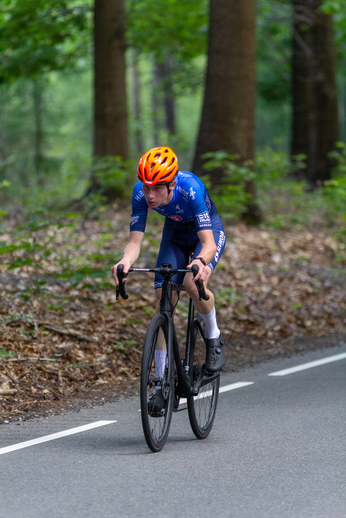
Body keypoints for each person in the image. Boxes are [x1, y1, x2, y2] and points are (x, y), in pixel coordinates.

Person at [112, 146, 226, 413]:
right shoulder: (140, 193)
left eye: (157, 188)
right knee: (163, 295)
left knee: (190, 283)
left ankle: (214, 335)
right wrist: (124, 262)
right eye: (146, 186)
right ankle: (161, 383)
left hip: (206, 232)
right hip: (174, 235)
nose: (150, 194)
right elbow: (134, 243)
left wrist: (201, 262)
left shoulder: (191, 188)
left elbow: (208, 243)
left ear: (172, 183)